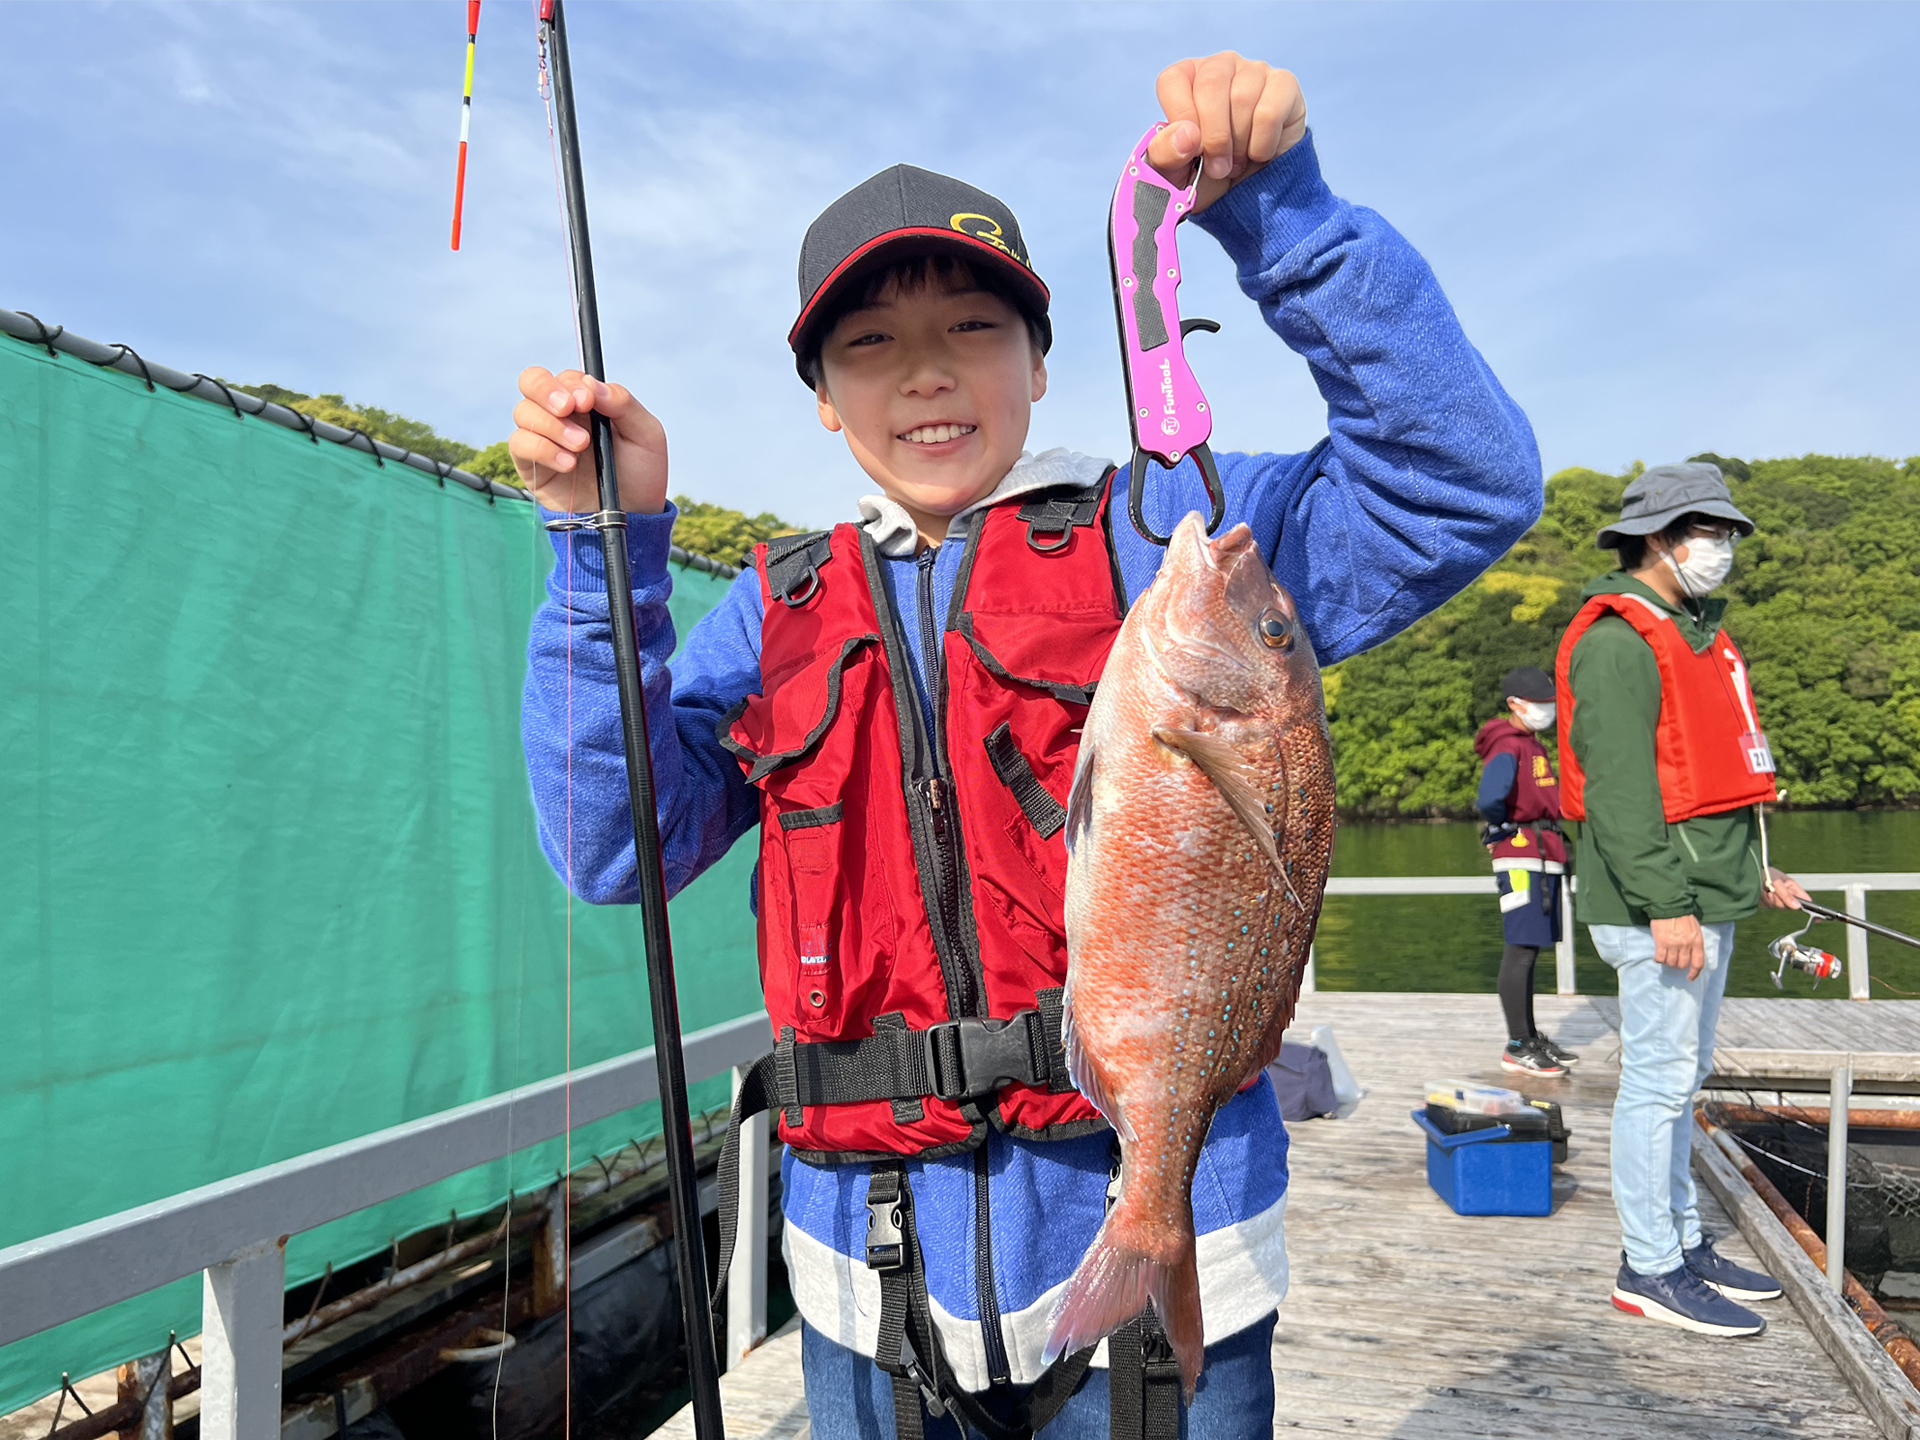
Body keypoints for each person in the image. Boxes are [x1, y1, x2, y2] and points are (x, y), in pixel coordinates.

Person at [513, 54, 1540, 1439]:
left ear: (1044, 360)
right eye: (869, 343)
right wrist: (603, 546)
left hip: (1167, 1246)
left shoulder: (1169, 543)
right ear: (821, 393)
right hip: (863, 1283)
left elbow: (1460, 478)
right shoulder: (771, 612)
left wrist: (1284, 218)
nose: (927, 373)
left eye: (976, 326)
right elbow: (608, 842)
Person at [1556, 462, 1811, 1339]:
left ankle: (1684, 1240)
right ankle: (1647, 1265)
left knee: (1682, 1080)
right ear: (1662, 539)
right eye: (1712, 531)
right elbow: (1625, 795)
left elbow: (1711, 778)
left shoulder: (1694, 634)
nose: (1724, 548)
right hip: (1657, 907)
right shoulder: (1619, 642)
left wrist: (1755, 877)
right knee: (1657, 1087)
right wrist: (1667, 904)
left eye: (1729, 533)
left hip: (1708, 894)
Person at [1473, 665, 1574, 1078]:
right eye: (1540, 704)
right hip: (1520, 855)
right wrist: (1506, 826)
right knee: (1520, 948)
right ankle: (1517, 1044)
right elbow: (1490, 797)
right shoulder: (1507, 746)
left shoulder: (1531, 744)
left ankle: (1530, 1037)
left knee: (1531, 948)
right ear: (1515, 704)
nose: (1546, 710)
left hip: (1543, 852)